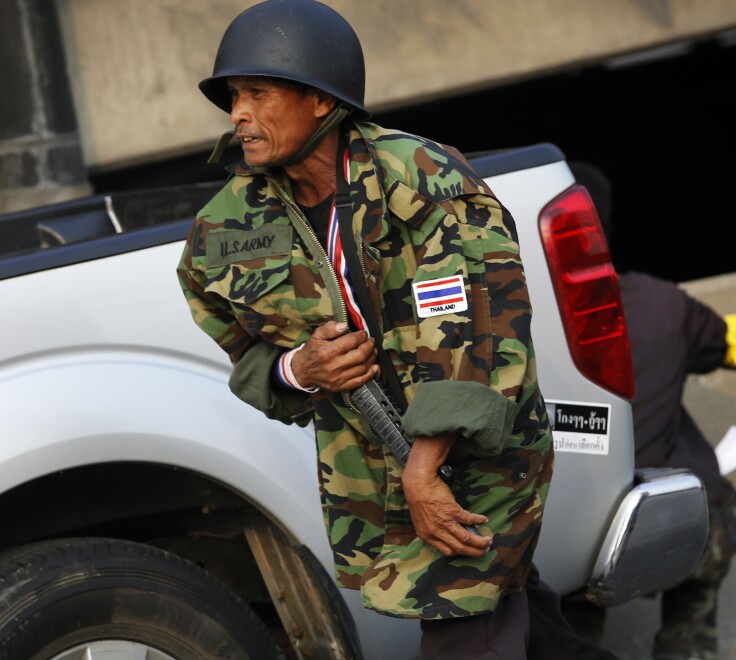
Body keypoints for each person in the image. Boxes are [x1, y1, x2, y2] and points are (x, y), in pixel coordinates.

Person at [177, 2, 617, 656]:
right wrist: (300, 368)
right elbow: (243, 348)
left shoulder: (424, 179)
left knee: (466, 621)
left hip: (475, 456)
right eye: (234, 97)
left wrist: (424, 470)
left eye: (258, 94)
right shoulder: (230, 225)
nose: (238, 112)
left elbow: (489, 338)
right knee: (512, 616)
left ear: (320, 102)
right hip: (368, 465)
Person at [565, 162, 736, 660]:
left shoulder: (514, 319)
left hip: (566, 538)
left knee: (568, 625)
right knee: (709, 489)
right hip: (677, 533)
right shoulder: (664, 305)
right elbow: (723, 344)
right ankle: (688, 645)